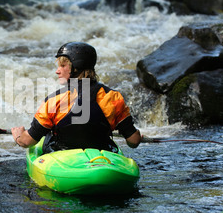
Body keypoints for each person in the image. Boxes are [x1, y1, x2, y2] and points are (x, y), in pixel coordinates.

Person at [11, 42, 142, 153]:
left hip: (62, 157)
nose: (57, 71)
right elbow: (133, 141)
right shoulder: (113, 97)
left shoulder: (54, 100)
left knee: (47, 136)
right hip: (101, 155)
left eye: (62, 66)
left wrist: (18, 136)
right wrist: (138, 135)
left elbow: (27, 141)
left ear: (75, 68)